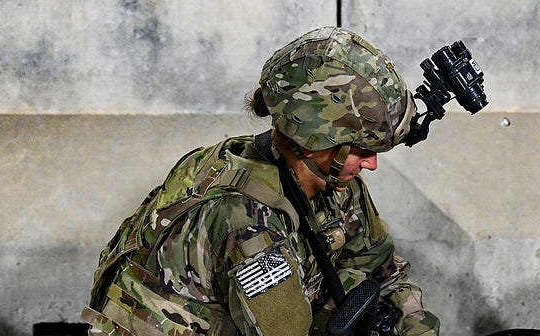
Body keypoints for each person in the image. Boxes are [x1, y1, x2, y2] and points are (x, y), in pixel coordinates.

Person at [83, 27, 439, 335]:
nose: (371, 164)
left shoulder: (334, 182)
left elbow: (381, 270)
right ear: (313, 141)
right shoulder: (247, 222)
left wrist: (415, 327)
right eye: (361, 150)